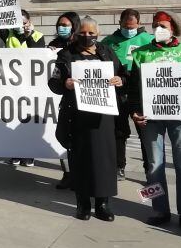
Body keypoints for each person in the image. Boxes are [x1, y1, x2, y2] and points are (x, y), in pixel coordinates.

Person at [128, 11, 181, 233]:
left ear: (173, 29)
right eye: (155, 25)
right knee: (153, 166)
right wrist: (134, 110)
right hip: (151, 117)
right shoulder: (141, 53)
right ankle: (159, 209)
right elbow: (134, 87)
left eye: (162, 25)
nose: (158, 28)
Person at [49, 17, 124, 221]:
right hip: (77, 116)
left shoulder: (107, 52)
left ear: (98, 34)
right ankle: (82, 204)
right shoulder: (66, 55)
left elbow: (124, 75)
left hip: (103, 116)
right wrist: (65, 84)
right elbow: (53, 83)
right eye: (83, 32)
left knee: (104, 159)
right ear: (76, 33)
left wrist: (119, 80)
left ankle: (102, 204)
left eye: (91, 33)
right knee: (80, 159)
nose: (87, 36)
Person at [102, 8, 155, 178]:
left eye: (131, 26)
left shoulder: (149, 40)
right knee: (118, 130)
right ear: (119, 23)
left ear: (139, 24)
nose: (128, 29)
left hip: (141, 91)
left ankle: (150, 169)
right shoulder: (109, 41)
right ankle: (119, 166)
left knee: (146, 132)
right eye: (125, 25)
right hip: (117, 91)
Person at [0, 9, 46, 167]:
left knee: (28, 121)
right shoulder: (8, 34)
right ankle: (15, 152)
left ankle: (29, 153)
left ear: (29, 22)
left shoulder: (38, 35)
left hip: (31, 86)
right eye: (17, 23)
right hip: (12, 85)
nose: (20, 26)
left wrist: (29, 35)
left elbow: (39, 55)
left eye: (23, 23)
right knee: (13, 120)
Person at [46, 10, 81, 189]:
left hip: (82, 102)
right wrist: (49, 53)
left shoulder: (82, 46)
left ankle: (80, 175)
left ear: (74, 27)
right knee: (63, 137)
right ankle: (68, 174)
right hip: (64, 100)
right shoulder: (53, 45)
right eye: (60, 25)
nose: (62, 28)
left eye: (66, 25)